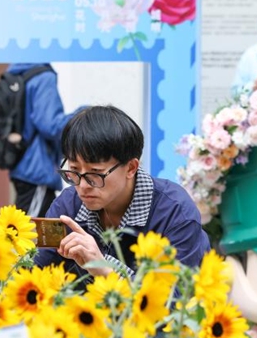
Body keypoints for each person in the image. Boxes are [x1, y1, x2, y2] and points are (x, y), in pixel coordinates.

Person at [33, 105, 210, 280]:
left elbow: (175, 299)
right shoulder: (68, 205)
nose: (83, 185)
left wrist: (103, 268)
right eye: (74, 171)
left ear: (131, 168)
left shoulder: (174, 212)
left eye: (95, 173)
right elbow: (35, 272)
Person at [7, 63, 80, 217]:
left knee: (46, 227)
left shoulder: (19, 73)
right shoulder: (43, 77)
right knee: (28, 231)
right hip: (36, 169)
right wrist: (83, 113)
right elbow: (50, 125)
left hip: (23, 163)